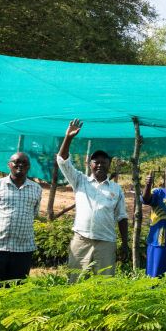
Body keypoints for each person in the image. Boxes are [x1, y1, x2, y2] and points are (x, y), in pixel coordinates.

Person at [57, 120, 129, 282]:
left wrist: (125, 244)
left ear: (109, 165)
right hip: (81, 241)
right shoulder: (79, 181)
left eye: (104, 162)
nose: (100, 165)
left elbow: (121, 217)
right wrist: (68, 137)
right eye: (96, 162)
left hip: (106, 243)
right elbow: (62, 161)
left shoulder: (116, 189)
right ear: (90, 165)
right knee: (76, 282)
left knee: (104, 285)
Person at [0, 152, 43, 287]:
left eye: (25, 163)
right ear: (8, 165)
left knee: (17, 289)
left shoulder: (36, 188)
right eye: (17, 162)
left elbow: (34, 213)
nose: (21, 165)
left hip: (23, 247)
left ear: (29, 167)